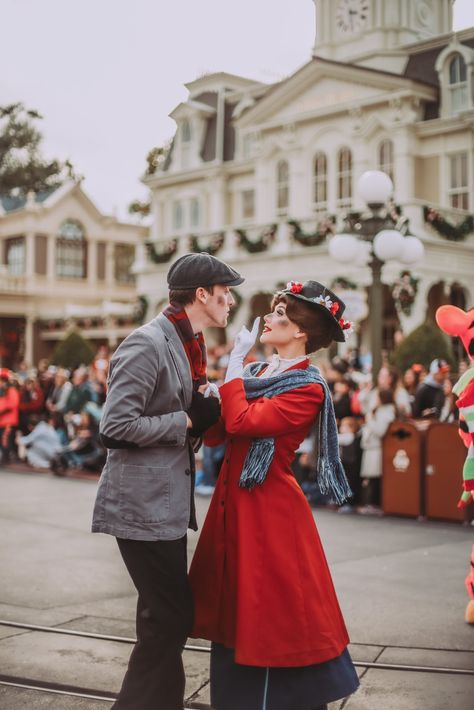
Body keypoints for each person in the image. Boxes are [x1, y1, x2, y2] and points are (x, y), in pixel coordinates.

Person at [189, 280, 359, 710]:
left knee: (269, 610)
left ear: (301, 332)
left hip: (269, 509)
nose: (268, 317)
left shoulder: (308, 386)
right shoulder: (258, 375)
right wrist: (211, 397)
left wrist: (232, 369)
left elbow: (244, 423)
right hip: (236, 504)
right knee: (235, 608)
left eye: (281, 316)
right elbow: (219, 434)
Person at [91, 252, 244, 710]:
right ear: (202, 295)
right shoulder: (147, 343)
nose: (231, 300)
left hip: (165, 507)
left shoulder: (184, 344)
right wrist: (187, 421)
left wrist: (202, 414)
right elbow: (114, 428)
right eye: (225, 291)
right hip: (140, 507)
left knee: (162, 621)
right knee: (172, 618)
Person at [359, 388, 397, 514]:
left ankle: (375, 504)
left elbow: (380, 430)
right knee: (370, 477)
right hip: (371, 447)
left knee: (375, 477)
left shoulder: (387, 411)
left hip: (377, 448)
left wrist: (370, 419)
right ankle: (371, 503)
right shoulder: (379, 410)